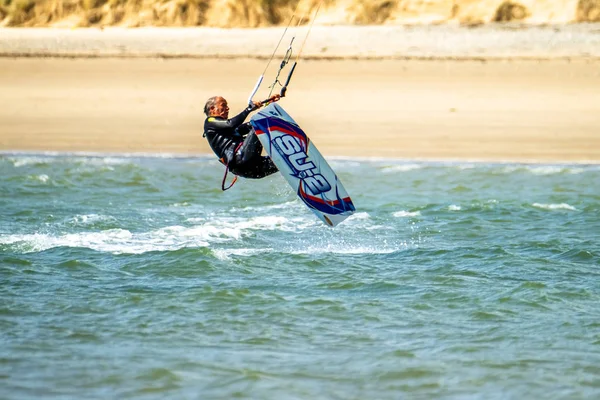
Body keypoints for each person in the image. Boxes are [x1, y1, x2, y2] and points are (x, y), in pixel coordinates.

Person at [203, 95, 280, 181]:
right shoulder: (209, 121)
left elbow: (251, 124)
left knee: (281, 162)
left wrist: (269, 105)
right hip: (241, 159)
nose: (227, 108)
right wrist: (248, 109)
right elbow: (230, 124)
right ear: (212, 109)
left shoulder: (229, 130)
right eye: (223, 105)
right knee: (258, 124)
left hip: (249, 169)